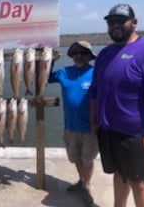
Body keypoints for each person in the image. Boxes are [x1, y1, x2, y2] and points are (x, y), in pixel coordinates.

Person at [90, 3, 144, 207]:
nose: (115, 26)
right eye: (111, 22)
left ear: (134, 23)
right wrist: (94, 121)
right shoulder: (104, 54)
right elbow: (95, 91)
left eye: (120, 21)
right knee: (119, 175)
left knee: (139, 183)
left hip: (135, 134)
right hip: (108, 130)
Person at [49, 41, 98, 207]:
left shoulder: (96, 72)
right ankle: (81, 181)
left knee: (88, 159)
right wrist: (52, 60)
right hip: (70, 126)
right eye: (76, 52)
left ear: (89, 56)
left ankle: (87, 185)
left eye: (83, 53)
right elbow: (46, 77)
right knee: (76, 158)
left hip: (90, 128)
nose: (79, 55)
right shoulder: (64, 72)